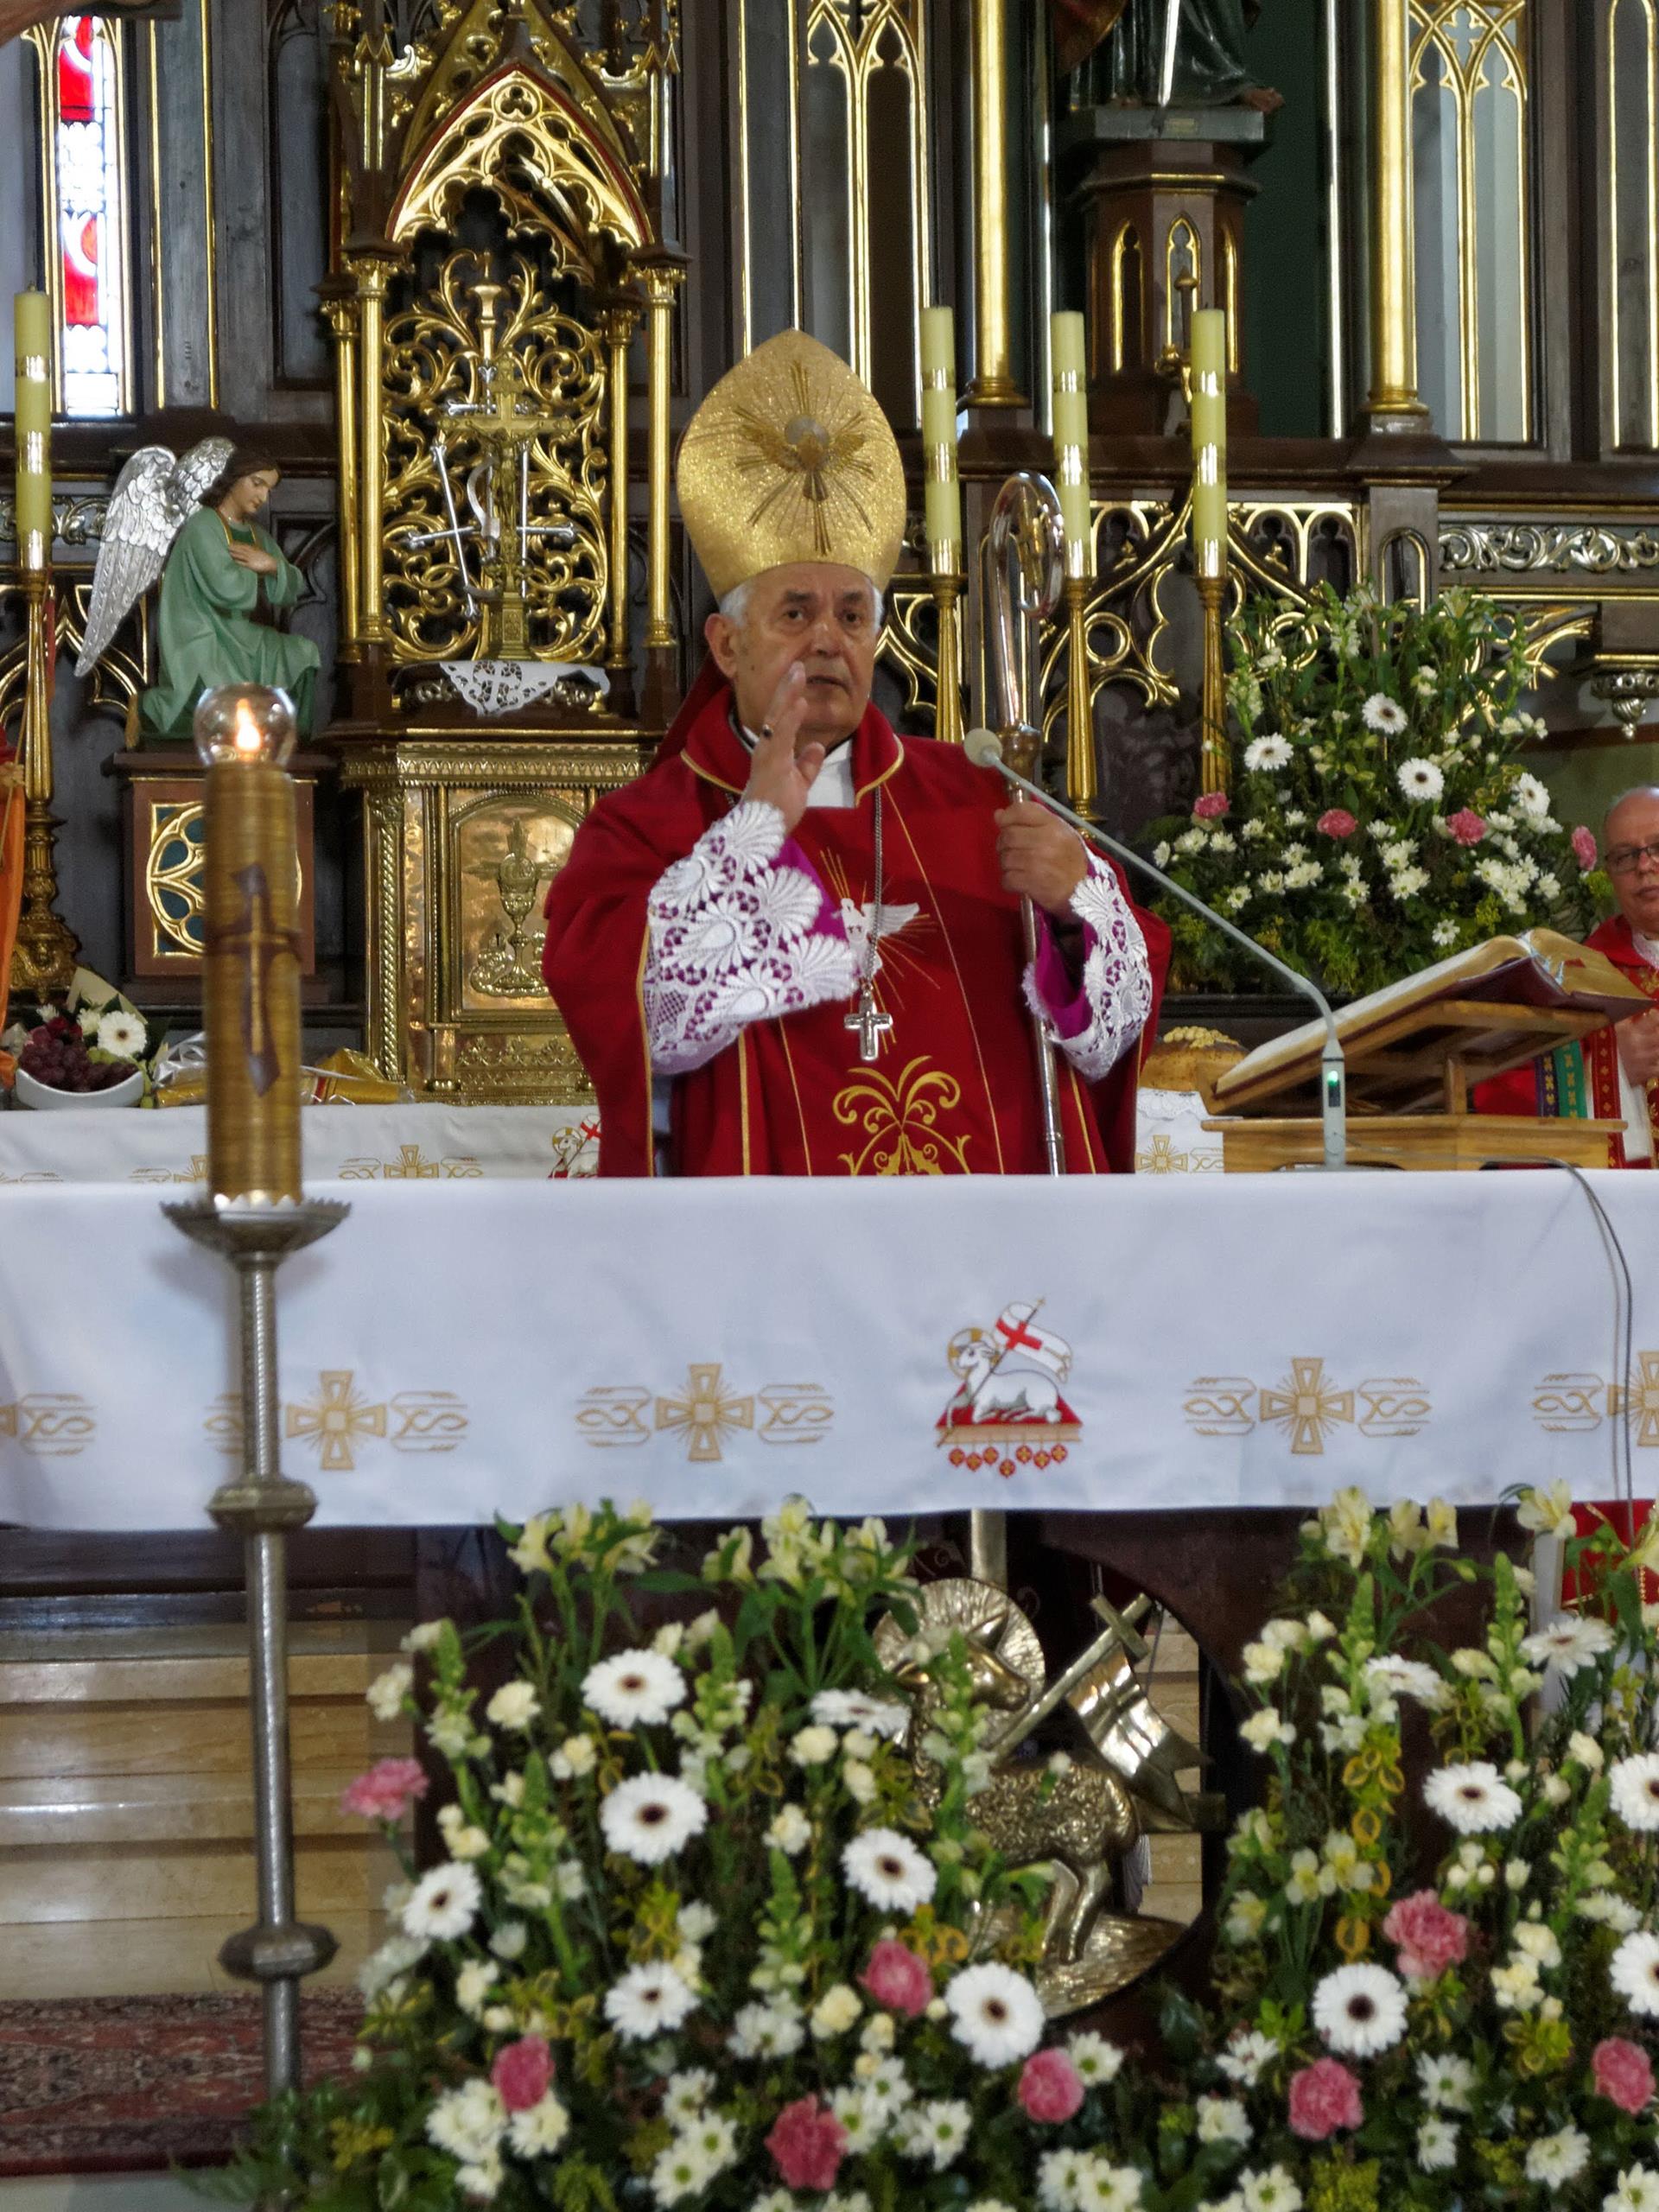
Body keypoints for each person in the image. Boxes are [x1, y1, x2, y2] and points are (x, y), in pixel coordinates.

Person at [542, 329, 1168, 1178]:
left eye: (851, 615)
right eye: (795, 613)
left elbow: (1111, 1032)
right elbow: (637, 1023)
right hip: (766, 1247)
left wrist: (1076, 905)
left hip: (975, 1246)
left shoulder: (980, 797)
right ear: (725, 645)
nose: (828, 640)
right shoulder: (646, 827)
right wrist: (755, 832)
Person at [1477, 785, 1659, 1166]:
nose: (1644, 866)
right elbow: (1503, 1100)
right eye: (1626, 856)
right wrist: (1612, 1068)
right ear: (1610, 872)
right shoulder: (1577, 978)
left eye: (1658, 847)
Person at [142, 448, 321, 740]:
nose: (263, 497)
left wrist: (273, 566)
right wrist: (259, 568)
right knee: (220, 700)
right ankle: (152, 710)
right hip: (202, 633)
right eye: (257, 483)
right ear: (234, 479)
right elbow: (225, 588)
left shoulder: (256, 534)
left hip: (241, 635)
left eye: (269, 489)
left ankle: (288, 738)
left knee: (303, 652)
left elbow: (293, 588)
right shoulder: (203, 525)